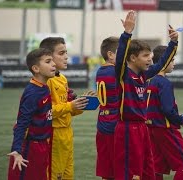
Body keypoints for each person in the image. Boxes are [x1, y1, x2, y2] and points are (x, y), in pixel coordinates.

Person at [114, 10, 179, 180]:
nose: (150, 59)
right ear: (133, 58)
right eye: (145, 56)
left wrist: (174, 42)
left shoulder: (144, 75)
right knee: (131, 171)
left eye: (150, 55)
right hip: (128, 128)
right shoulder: (124, 75)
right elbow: (121, 57)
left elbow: (162, 64)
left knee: (148, 169)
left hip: (143, 128)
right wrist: (127, 33)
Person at [39, 37, 89, 180]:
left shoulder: (62, 79)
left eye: (66, 52)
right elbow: (45, 112)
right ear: (47, 57)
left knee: (68, 175)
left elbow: (67, 109)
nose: (66, 57)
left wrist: (80, 105)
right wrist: (70, 105)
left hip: (67, 133)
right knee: (55, 175)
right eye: (61, 53)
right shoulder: (46, 81)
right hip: (54, 134)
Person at [146, 45, 183, 180]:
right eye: (172, 60)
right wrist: (181, 120)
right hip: (166, 128)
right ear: (165, 60)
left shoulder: (148, 81)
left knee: (157, 167)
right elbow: (167, 110)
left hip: (151, 128)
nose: (174, 63)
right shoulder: (163, 83)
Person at [7, 48, 56, 180]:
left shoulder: (44, 87)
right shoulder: (32, 93)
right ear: (36, 68)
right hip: (29, 148)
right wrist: (17, 151)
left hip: (42, 145)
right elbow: (21, 123)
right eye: (48, 61)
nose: (53, 64)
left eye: (52, 60)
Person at [95, 36, 120, 179]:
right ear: (110, 55)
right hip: (115, 124)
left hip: (102, 123)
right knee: (120, 169)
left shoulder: (100, 71)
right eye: (122, 52)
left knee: (106, 170)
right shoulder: (115, 72)